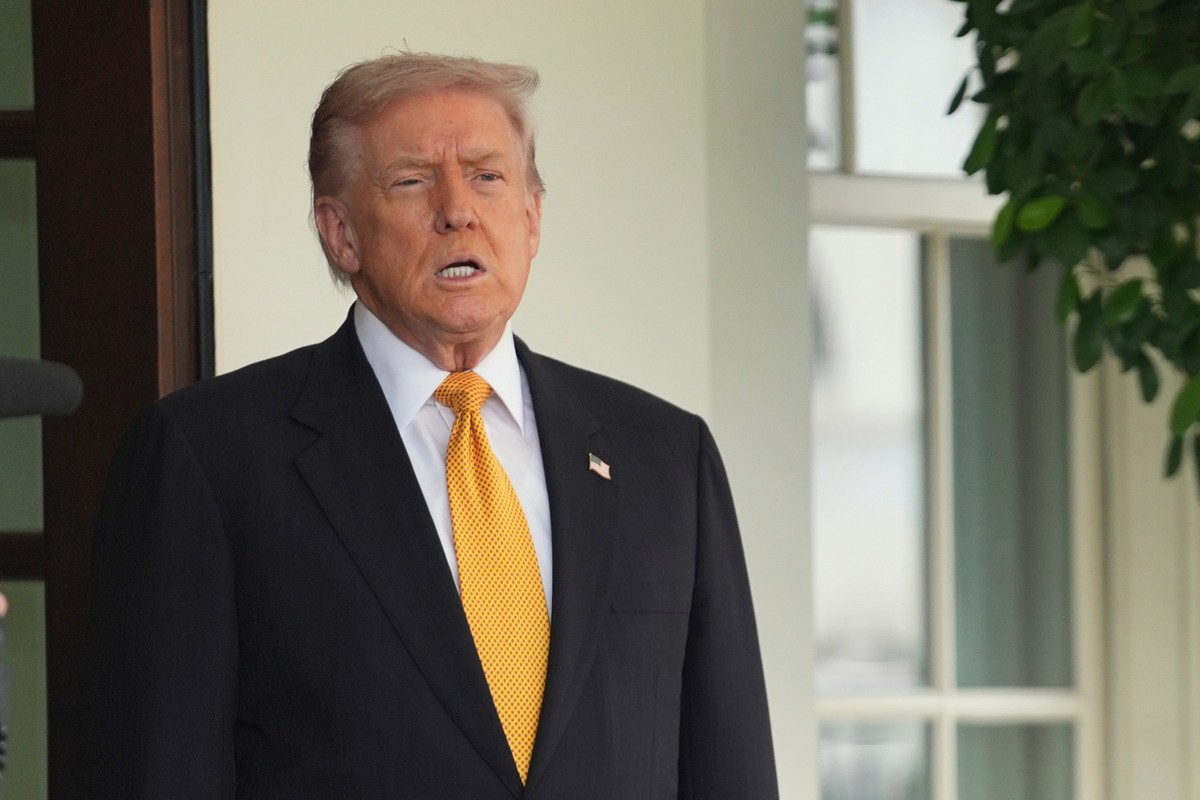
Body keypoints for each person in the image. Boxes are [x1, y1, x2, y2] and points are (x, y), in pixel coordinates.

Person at [84, 52, 778, 799]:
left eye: (488, 177)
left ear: (532, 218)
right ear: (340, 233)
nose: (458, 210)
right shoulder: (208, 456)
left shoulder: (665, 455)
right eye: (413, 181)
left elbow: (729, 766)